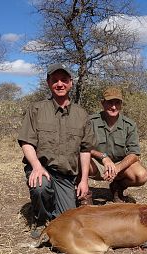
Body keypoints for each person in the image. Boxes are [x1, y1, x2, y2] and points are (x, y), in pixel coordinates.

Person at [18, 63, 95, 238]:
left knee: (67, 223)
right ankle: (39, 219)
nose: (60, 84)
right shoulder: (36, 109)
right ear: (48, 83)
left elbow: (85, 149)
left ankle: (52, 204)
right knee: (40, 187)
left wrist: (84, 181)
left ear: (71, 83)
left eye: (64, 80)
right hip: (42, 168)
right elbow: (26, 142)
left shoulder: (81, 114)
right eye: (55, 80)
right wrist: (37, 167)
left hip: (65, 175)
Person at [89, 87, 147, 202]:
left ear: (121, 104)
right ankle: (84, 195)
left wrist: (117, 168)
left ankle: (117, 188)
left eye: (117, 103)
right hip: (97, 164)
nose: (113, 107)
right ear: (102, 103)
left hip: (119, 167)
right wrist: (104, 157)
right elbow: (83, 146)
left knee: (141, 175)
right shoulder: (91, 122)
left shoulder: (129, 125)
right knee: (77, 162)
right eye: (110, 102)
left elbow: (134, 153)